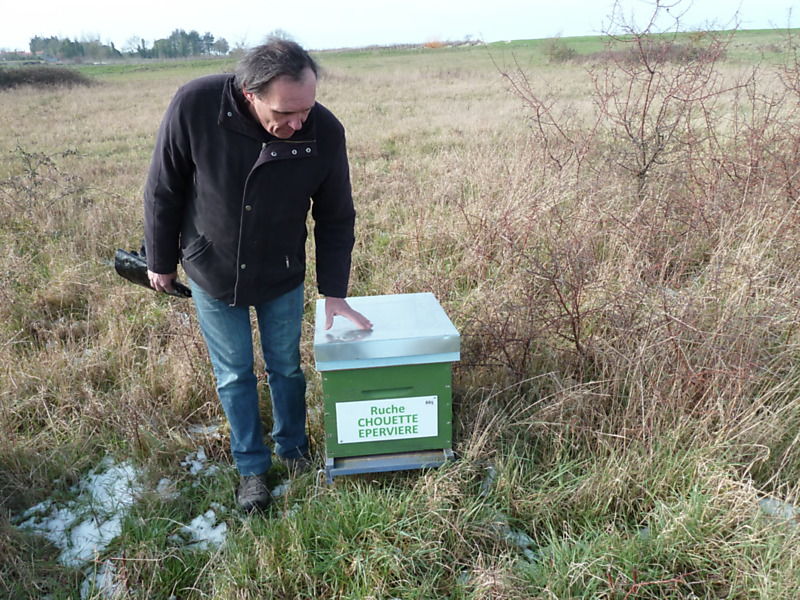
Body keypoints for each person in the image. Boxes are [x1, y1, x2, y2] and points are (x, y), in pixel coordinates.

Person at [143, 39, 372, 512]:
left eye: (306, 109)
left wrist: (335, 293)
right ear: (250, 93)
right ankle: (251, 468)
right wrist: (161, 260)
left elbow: (336, 216)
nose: (298, 123)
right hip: (213, 266)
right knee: (233, 375)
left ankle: (292, 450)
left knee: (286, 367)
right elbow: (164, 188)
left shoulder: (324, 131)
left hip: (281, 269)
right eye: (286, 112)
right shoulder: (196, 105)